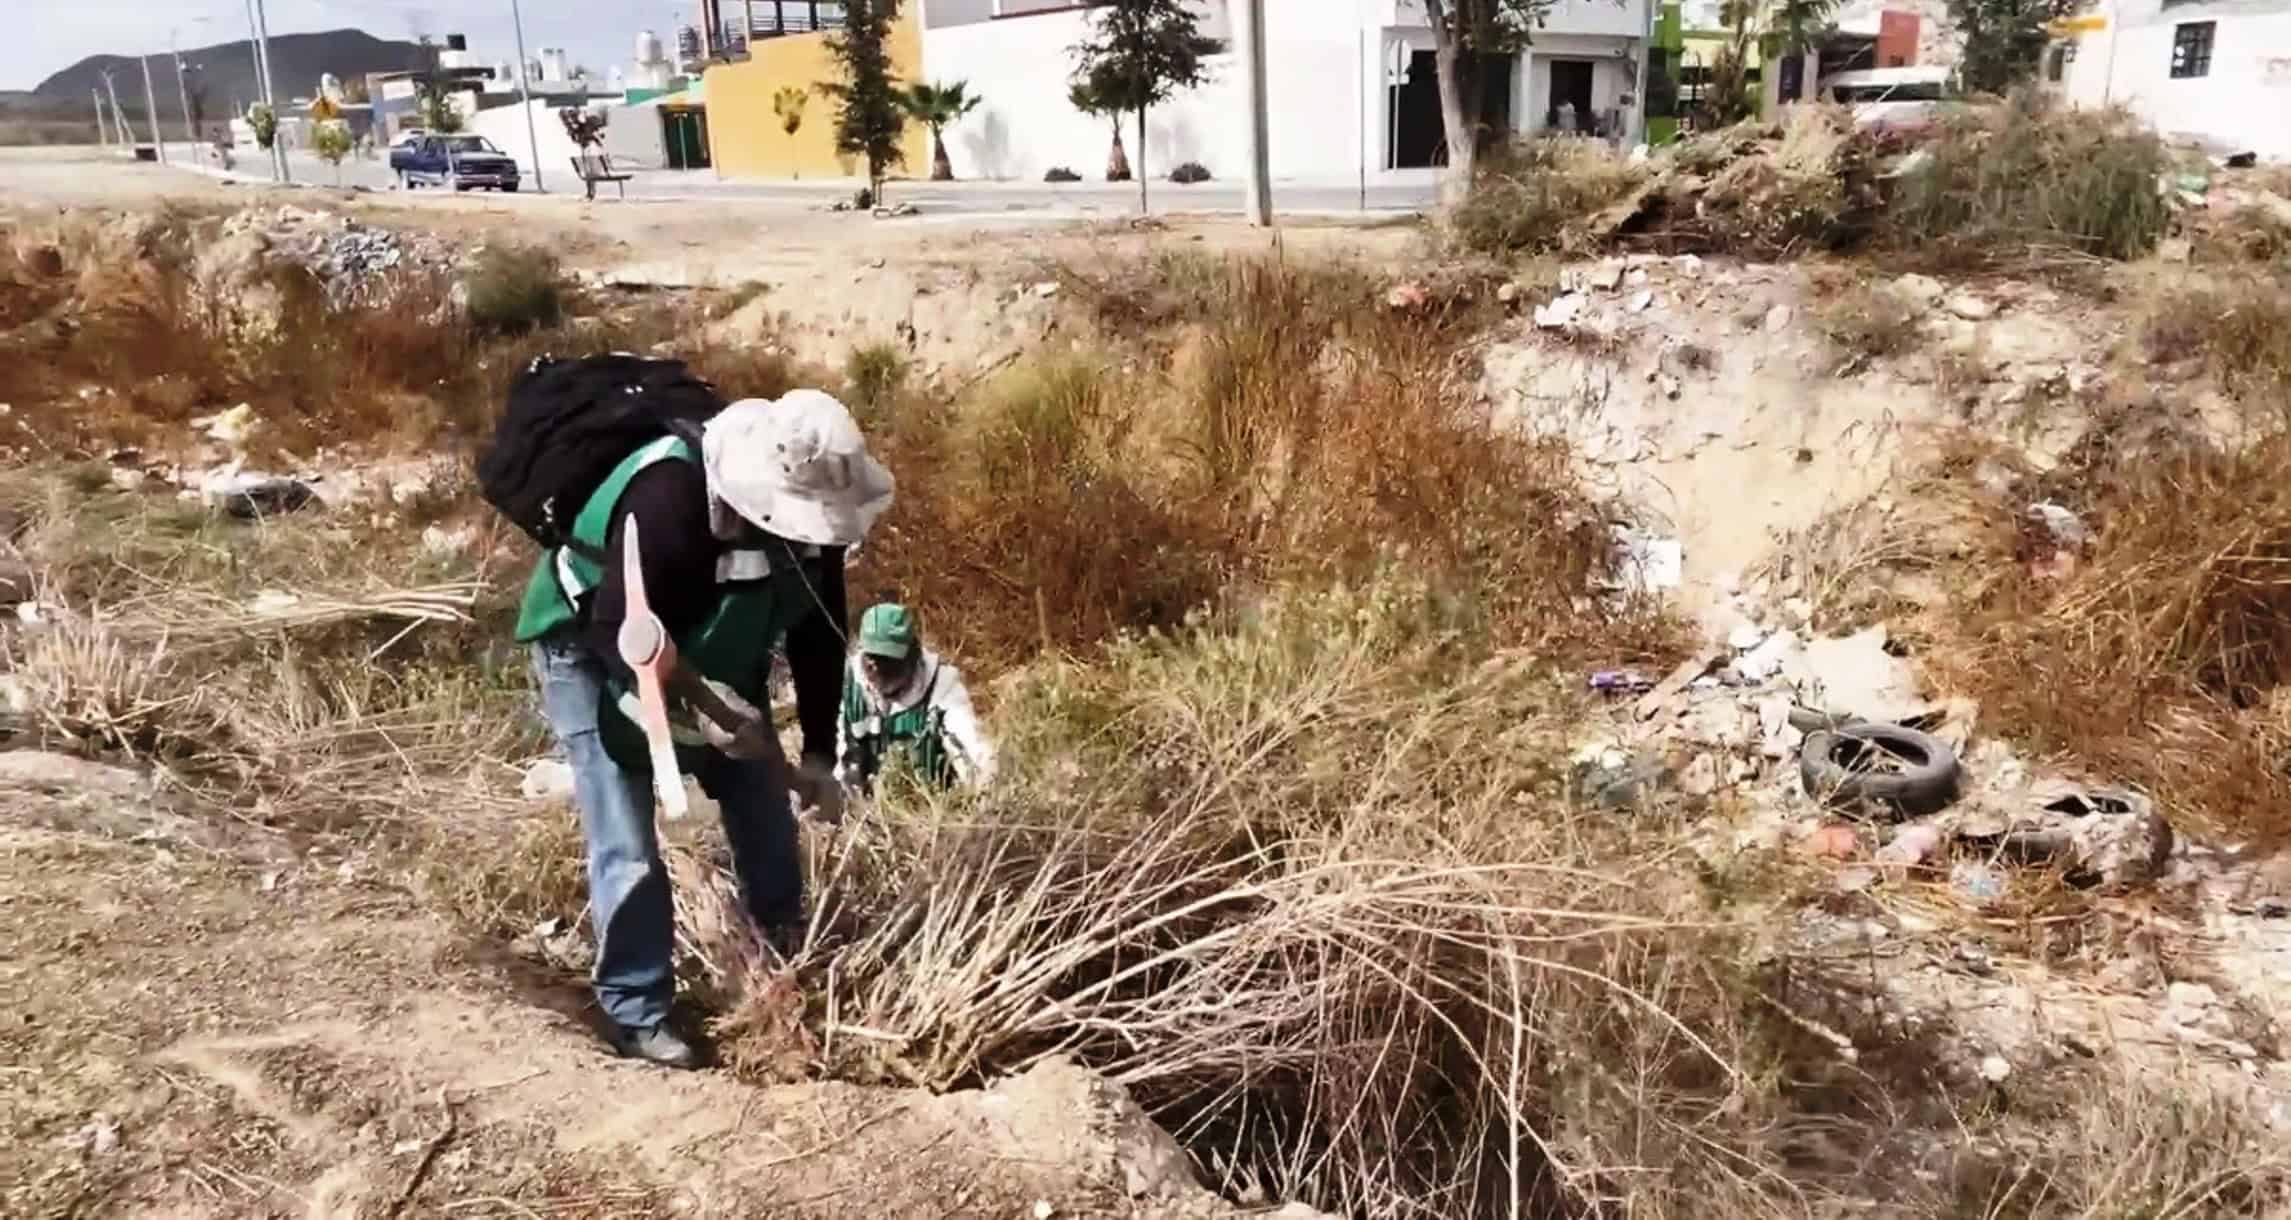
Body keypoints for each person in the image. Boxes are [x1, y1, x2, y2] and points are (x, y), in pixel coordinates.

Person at [514, 389, 893, 1069]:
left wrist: (815, 755)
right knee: (626, 836)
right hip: (593, 649)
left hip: (712, 652)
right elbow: (616, 631)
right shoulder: (671, 498)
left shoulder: (813, 531)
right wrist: (694, 712)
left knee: (762, 806)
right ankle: (636, 1010)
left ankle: (778, 958)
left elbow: (817, 638)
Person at [837, 602, 997, 794]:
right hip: (865, 810)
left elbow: (973, 747)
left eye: (888, 661)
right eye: (873, 658)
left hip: (928, 806)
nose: (878, 668)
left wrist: (987, 785)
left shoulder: (942, 688)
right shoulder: (848, 684)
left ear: (913, 654)